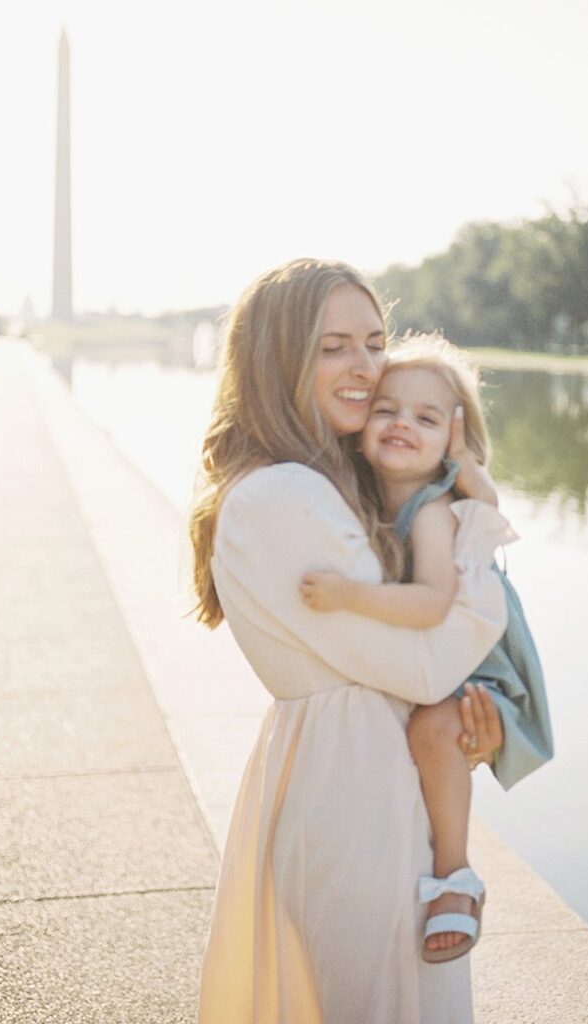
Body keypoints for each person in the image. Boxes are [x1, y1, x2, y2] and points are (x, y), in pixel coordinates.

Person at [191, 258, 514, 1024]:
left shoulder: (321, 479)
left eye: (373, 341)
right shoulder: (284, 495)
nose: (366, 367)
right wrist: (479, 526)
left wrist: (468, 714)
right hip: (351, 792)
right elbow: (428, 659)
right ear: (278, 357)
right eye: (333, 345)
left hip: (356, 769)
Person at [299, 333, 537, 963]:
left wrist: (348, 595)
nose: (402, 423)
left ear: (451, 444)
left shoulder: (430, 511)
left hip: (477, 669)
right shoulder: (358, 496)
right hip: (430, 654)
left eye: (426, 418)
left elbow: (433, 601)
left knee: (435, 730)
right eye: (387, 410)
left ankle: (455, 876)